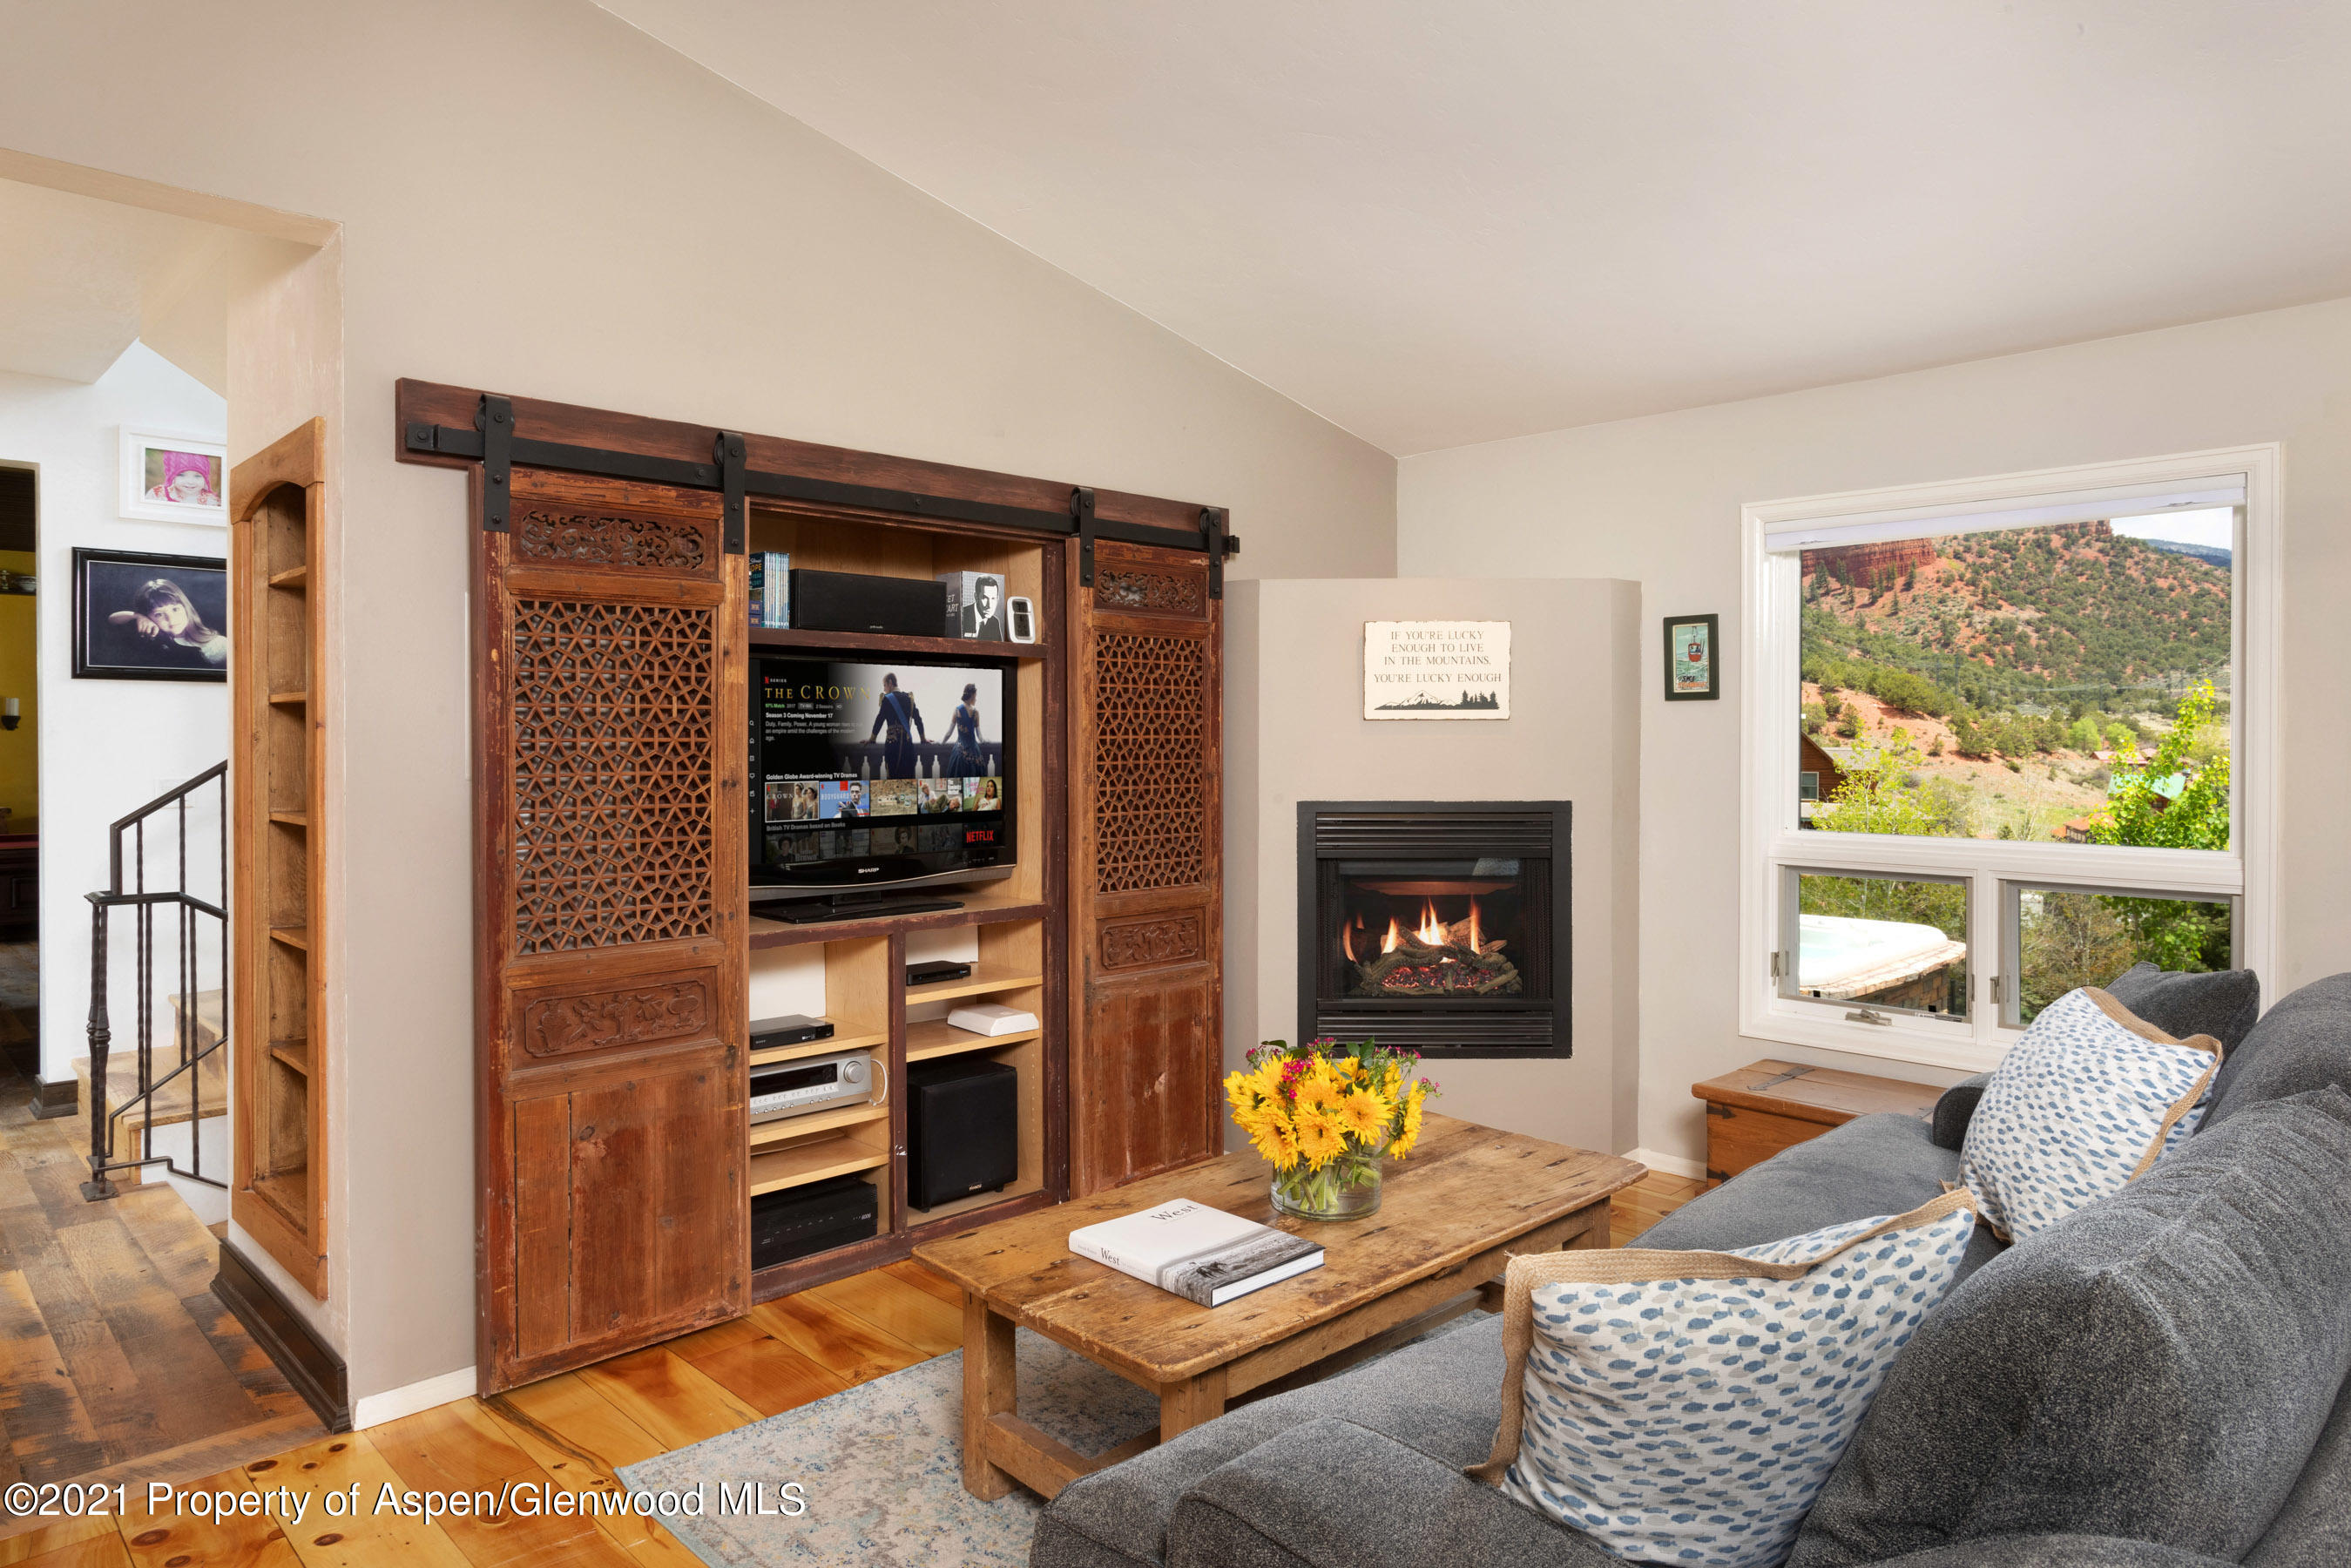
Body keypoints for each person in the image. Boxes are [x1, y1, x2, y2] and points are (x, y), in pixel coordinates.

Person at [109, 578, 226, 667]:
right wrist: (137, 616)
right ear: (149, 618)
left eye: (175, 609)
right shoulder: (157, 638)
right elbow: (112, 619)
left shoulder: (219, 644)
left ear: (186, 608)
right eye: (159, 614)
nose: (171, 619)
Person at [867, 672, 926, 778]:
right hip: (907, 746)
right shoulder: (909, 698)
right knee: (908, 779)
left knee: (893, 778)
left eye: (884, 685)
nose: (884, 689)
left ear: (890, 683)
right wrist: (923, 739)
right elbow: (918, 720)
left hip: (892, 745)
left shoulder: (887, 699)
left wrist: (872, 738)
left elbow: (879, 720)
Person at [145, 452, 219, 509]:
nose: (190, 482)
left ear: (205, 478)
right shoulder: (157, 494)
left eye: (197, 476)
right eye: (182, 475)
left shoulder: (212, 501)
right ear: (171, 477)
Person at [944, 682, 988, 777]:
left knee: (957, 779)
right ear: (972, 695)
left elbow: (949, 733)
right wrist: (985, 740)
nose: (976, 698)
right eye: (975, 695)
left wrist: (941, 742)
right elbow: (979, 736)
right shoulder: (975, 712)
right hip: (974, 750)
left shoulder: (957, 710)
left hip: (960, 751)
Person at [970, 577, 1007, 641]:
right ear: (976, 597)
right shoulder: (962, 615)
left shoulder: (995, 622)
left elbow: (998, 649)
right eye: (985, 598)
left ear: (997, 599)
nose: (989, 605)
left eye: (993, 598)